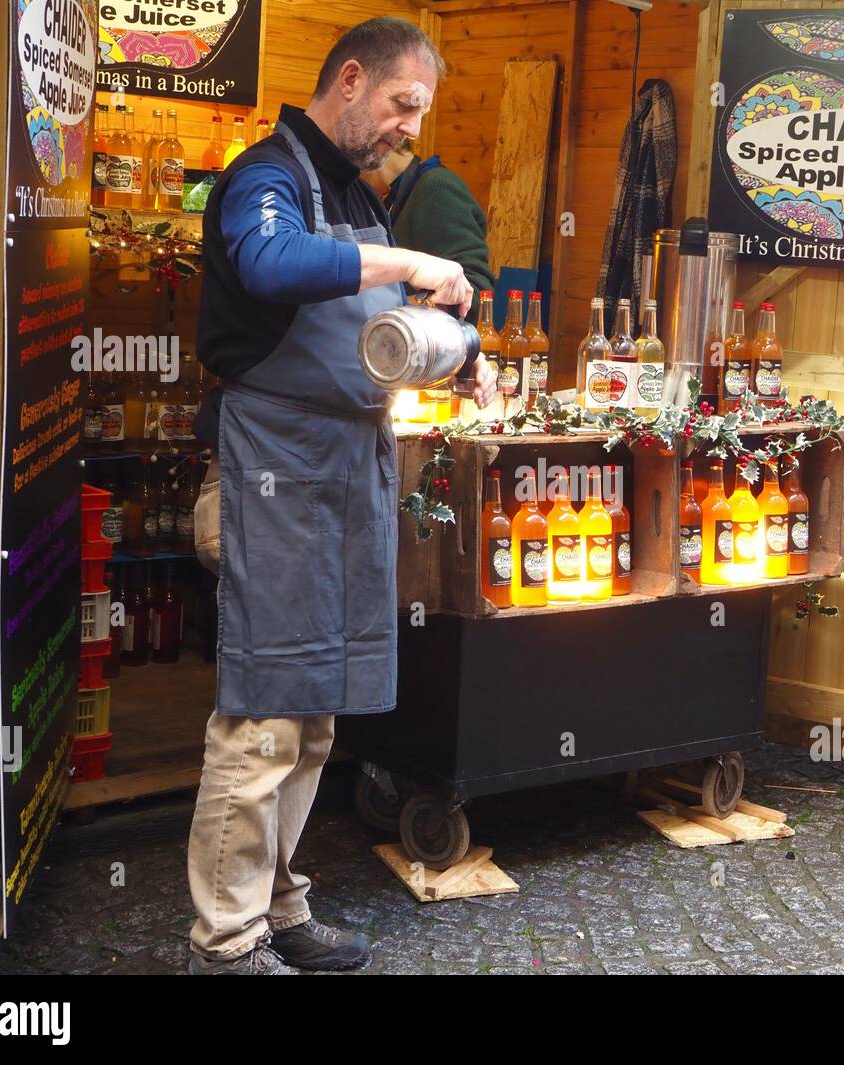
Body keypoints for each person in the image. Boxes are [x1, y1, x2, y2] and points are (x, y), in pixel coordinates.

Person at [186, 18, 497, 976]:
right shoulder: (265, 176)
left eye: (420, 113)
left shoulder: (353, 193)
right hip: (270, 471)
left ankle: (278, 907)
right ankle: (223, 941)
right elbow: (271, 266)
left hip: (343, 468)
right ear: (351, 80)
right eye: (404, 104)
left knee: (316, 712)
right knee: (268, 708)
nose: (409, 127)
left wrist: (465, 350)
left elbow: (375, 321)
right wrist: (409, 264)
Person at [364, 141, 495, 321]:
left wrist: (398, 309)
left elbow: (475, 290)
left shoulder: (436, 187)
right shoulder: (396, 198)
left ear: (379, 145)